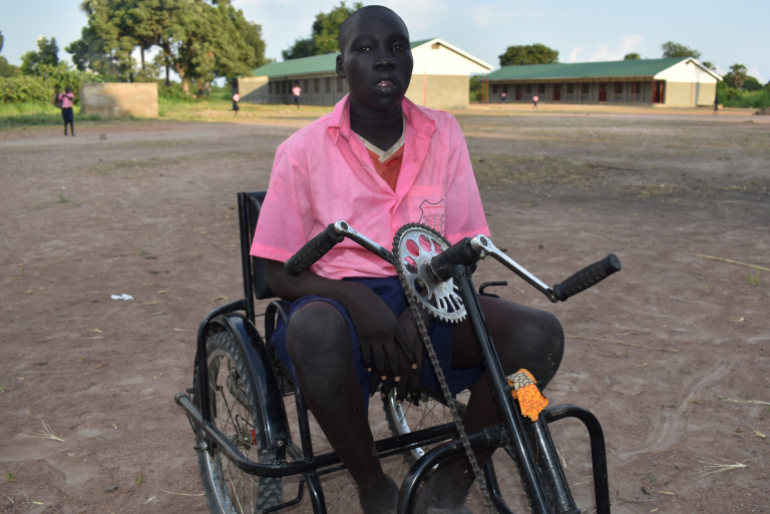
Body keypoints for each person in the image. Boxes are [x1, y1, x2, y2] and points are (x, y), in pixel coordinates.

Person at [251, 6, 564, 514]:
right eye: (366, 48)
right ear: (340, 65)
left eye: (398, 47)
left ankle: (456, 477)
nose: (384, 60)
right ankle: (374, 486)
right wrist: (354, 298)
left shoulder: (443, 134)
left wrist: (421, 309)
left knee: (538, 335)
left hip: (431, 293)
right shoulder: (301, 151)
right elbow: (272, 274)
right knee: (313, 332)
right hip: (335, 304)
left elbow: (466, 245)